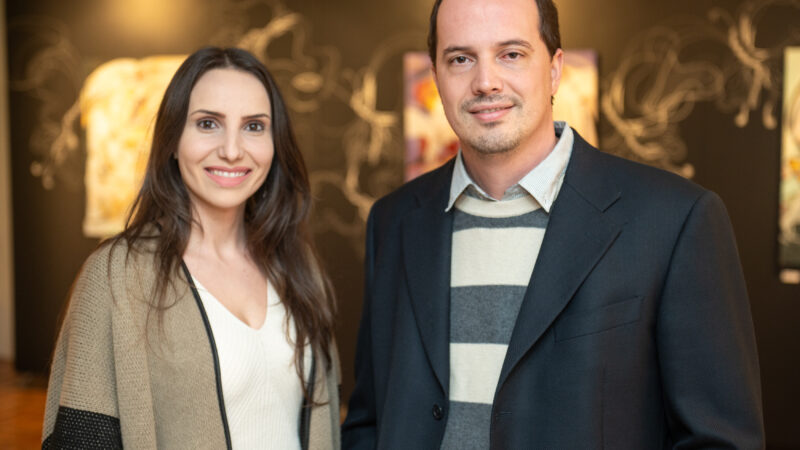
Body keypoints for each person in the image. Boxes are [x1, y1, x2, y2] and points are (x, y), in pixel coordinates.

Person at [341, 0, 764, 448]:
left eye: (512, 54)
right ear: (436, 75)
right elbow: (371, 418)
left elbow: (718, 440)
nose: (486, 82)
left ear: (555, 69)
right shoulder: (392, 221)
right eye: (461, 58)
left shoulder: (675, 219)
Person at [42, 47, 340, 449]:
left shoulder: (297, 266)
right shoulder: (116, 276)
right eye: (208, 124)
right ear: (172, 141)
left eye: (254, 126)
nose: (233, 150)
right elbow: (81, 439)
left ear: (275, 144)